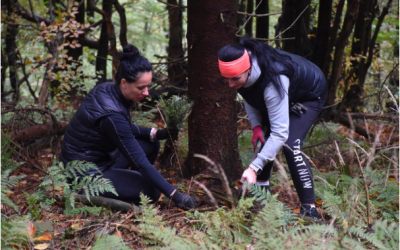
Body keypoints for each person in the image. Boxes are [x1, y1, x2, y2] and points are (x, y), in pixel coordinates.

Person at [60, 44, 195, 210]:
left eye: (148, 86)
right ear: (124, 83)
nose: (146, 93)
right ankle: (110, 191)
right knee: (152, 191)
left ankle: (129, 183)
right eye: (141, 87)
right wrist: (176, 195)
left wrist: (156, 133)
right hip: (84, 176)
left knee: (150, 143)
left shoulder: (107, 89)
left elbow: (123, 127)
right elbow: (139, 160)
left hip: (102, 160)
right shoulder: (111, 115)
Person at [217, 37, 327, 219]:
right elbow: (249, 96)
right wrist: (256, 127)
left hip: (309, 93)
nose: (230, 85)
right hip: (289, 92)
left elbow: (280, 133)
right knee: (263, 141)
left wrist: (253, 168)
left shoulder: (273, 81)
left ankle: (310, 210)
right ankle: (262, 200)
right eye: (226, 79)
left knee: (290, 145)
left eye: (234, 79)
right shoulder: (241, 72)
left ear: (248, 69)